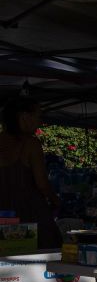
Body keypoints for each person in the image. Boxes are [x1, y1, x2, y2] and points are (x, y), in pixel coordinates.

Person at [0, 97, 62, 249]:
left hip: (3, 217)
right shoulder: (31, 144)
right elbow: (42, 184)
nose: (39, 122)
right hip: (30, 216)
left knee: (10, 262)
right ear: (24, 117)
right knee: (39, 263)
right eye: (38, 116)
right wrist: (56, 201)